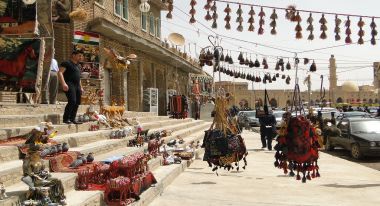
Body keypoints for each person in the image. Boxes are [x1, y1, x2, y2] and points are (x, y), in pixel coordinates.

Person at [58, 51, 84, 124]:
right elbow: (60, 73)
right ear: (73, 55)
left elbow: (78, 78)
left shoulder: (78, 66)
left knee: (77, 102)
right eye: (79, 56)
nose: (81, 57)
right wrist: (63, 83)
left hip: (77, 86)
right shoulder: (66, 63)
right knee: (72, 101)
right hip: (69, 84)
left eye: (81, 56)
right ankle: (66, 119)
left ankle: (72, 119)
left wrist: (81, 87)